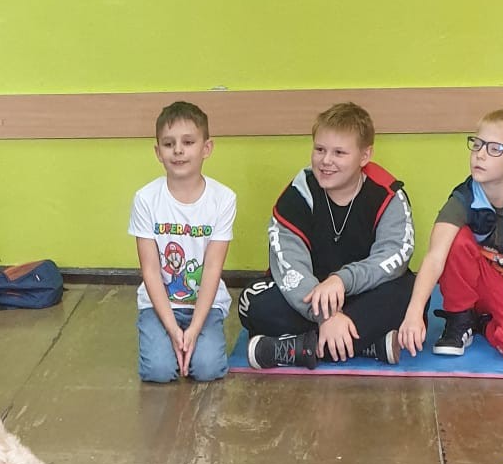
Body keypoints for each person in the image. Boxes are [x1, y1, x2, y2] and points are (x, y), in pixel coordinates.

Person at [240, 101, 415, 368]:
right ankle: (365, 344)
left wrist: (342, 280)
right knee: (251, 302)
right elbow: (289, 266)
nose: (326, 161)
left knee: (412, 294)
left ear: (365, 155)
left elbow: (393, 257)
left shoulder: (388, 195)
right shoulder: (298, 195)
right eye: (320, 149)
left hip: (362, 291)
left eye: (339, 153)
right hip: (310, 296)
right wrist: (326, 316)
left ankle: (300, 348)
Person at [399, 110, 503, 361]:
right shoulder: (463, 198)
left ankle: (482, 323)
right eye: (477, 144)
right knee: (455, 238)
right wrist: (414, 311)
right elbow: (435, 257)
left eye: (495, 148)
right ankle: (460, 318)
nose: (480, 154)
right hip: (471, 283)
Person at [129, 99, 235, 382]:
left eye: (188, 142)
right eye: (168, 144)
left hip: (206, 305)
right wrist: (173, 330)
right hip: (159, 305)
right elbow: (151, 270)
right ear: (158, 152)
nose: (178, 150)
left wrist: (194, 329)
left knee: (208, 369)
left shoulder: (223, 199)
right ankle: (165, 339)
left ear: (206, 148)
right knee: (159, 371)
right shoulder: (145, 199)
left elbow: (212, 268)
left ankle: (198, 340)